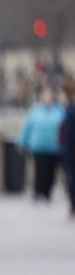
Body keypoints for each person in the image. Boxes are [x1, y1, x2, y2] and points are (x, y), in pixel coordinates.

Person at [17, 88, 66, 202]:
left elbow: (64, 129)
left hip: (54, 148)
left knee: (51, 172)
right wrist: (22, 141)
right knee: (40, 171)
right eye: (45, 96)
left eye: (49, 96)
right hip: (38, 147)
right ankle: (38, 192)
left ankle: (47, 192)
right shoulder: (35, 111)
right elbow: (27, 127)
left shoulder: (59, 111)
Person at [61, 83, 75, 218]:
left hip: (69, 150)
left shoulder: (69, 109)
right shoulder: (69, 108)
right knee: (71, 179)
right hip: (70, 150)